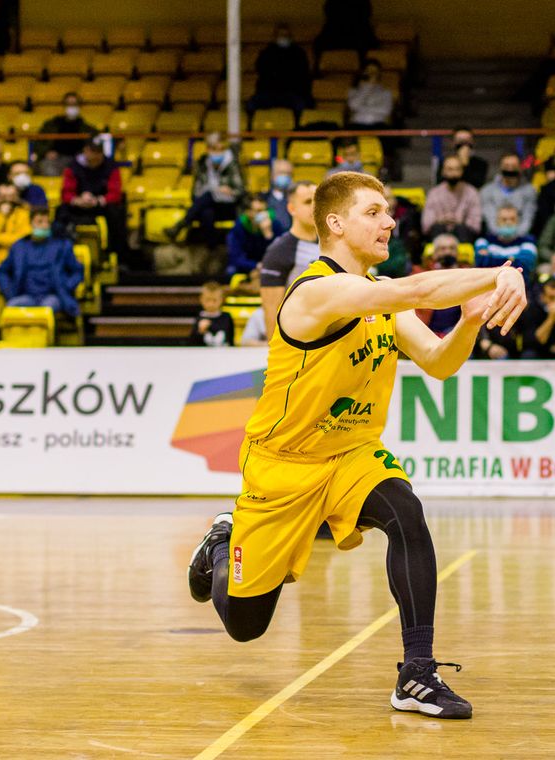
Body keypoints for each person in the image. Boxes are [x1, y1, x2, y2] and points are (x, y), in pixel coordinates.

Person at [185, 171, 528, 720]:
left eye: (389, 211)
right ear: (336, 223)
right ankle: (222, 543)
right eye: (374, 212)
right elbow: (414, 290)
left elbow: (439, 364)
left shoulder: (382, 299)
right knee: (246, 626)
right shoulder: (317, 291)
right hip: (283, 466)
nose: (389, 221)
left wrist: (467, 322)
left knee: (405, 512)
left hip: (350, 454)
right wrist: (502, 275)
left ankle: (417, 673)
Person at [0, 207, 84, 316]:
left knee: (45, 311)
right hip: (26, 295)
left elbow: (77, 271)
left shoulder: (62, 245)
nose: (44, 225)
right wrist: (9, 291)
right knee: (11, 309)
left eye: (47, 222)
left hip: (53, 295)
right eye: (39, 222)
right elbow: (2, 271)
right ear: (31, 223)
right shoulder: (19, 246)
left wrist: (66, 286)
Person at [55, 136, 130, 262]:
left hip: (101, 206)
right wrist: (77, 200)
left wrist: (99, 200)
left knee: (117, 212)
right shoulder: (73, 166)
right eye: (92, 151)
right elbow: (66, 193)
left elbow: (115, 194)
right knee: (60, 212)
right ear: (85, 150)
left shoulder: (111, 166)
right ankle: (59, 254)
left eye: (98, 152)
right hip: (79, 206)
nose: (94, 155)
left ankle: (116, 257)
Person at [259, 181, 319, 338]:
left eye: (317, 200)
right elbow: (271, 310)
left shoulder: (334, 244)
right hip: (299, 343)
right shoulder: (279, 251)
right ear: (291, 208)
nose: (314, 207)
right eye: (307, 202)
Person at [166, 133, 246, 246]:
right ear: (208, 149)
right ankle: (212, 246)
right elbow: (194, 193)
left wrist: (230, 191)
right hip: (208, 204)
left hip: (229, 206)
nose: (218, 153)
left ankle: (181, 225)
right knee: (206, 212)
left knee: (209, 195)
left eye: (221, 149)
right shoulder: (202, 164)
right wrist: (206, 192)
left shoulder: (233, 165)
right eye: (214, 149)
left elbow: (241, 191)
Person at [250, 23, 312, 115]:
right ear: (275, 37)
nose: (283, 38)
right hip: (269, 93)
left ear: (290, 37)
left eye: (286, 36)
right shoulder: (266, 53)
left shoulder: (298, 54)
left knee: (301, 105)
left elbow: (303, 75)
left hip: (292, 93)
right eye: (281, 35)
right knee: (251, 105)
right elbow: (261, 72)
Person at [36, 94, 99, 176]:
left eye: (75, 104)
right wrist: (46, 152)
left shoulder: (88, 128)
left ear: (79, 106)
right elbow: (38, 143)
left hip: (79, 158)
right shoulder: (51, 125)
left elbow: (95, 145)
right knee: (46, 166)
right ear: (64, 106)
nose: (72, 107)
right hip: (56, 159)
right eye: (69, 104)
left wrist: (87, 154)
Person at [422, 156, 482, 242]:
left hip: (464, 235)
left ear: (462, 171)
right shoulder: (434, 193)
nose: (454, 173)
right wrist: (442, 220)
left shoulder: (472, 193)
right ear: (443, 171)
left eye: (457, 169)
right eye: (450, 169)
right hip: (439, 235)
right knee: (438, 228)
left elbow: (476, 226)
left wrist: (459, 221)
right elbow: (426, 225)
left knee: (461, 230)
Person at [415, 236, 465, 337]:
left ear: (458, 253)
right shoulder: (423, 276)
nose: (448, 252)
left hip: (458, 334)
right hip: (427, 334)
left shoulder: (467, 276)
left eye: (452, 248)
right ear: (434, 254)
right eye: (443, 249)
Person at [480, 153, 537, 237]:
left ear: (520, 168)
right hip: (494, 238)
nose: (510, 169)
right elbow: (491, 221)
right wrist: (503, 236)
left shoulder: (530, 190)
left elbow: (527, 219)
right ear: (500, 167)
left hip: (521, 238)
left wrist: (515, 236)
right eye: (506, 166)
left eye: (514, 166)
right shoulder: (487, 191)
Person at [227, 194, 285, 276]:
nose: (264, 215)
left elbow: (281, 254)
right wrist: (256, 266)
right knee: (231, 270)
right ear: (248, 212)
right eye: (258, 211)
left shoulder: (275, 225)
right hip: (247, 265)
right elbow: (236, 257)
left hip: (269, 266)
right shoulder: (239, 227)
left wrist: (269, 235)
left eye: (265, 210)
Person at [475, 205, 537, 274]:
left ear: (518, 221)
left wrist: (491, 259)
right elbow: (481, 265)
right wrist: (511, 260)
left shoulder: (528, 244)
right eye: (504, 219)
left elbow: (524, 268)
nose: (508, 222)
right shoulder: (483, 242)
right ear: (497, 221)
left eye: (512, 219)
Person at [191, 281, 235, 347]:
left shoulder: (227, 317)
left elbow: (230, 340)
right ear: (201, 299)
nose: (211, 304)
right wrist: (200, 331)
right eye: (207, 300)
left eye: (214, 300)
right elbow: (192, 343)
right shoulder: (200, 317)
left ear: (221, 300)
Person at [266, 160, 295, 228]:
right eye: (282, 172)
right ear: (272, 175)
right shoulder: (263, 198)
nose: (285, 176)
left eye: (289, 173)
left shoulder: (295, 198)